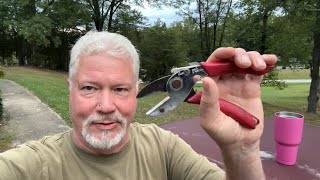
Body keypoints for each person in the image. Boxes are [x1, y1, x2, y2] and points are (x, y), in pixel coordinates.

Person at [0, 31, 277, 180]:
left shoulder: (164, 149)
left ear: (135, 93)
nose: (106, 105)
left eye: (120, 89)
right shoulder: (30, 166)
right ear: (70, 91)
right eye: (89, 88)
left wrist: (242, 149)